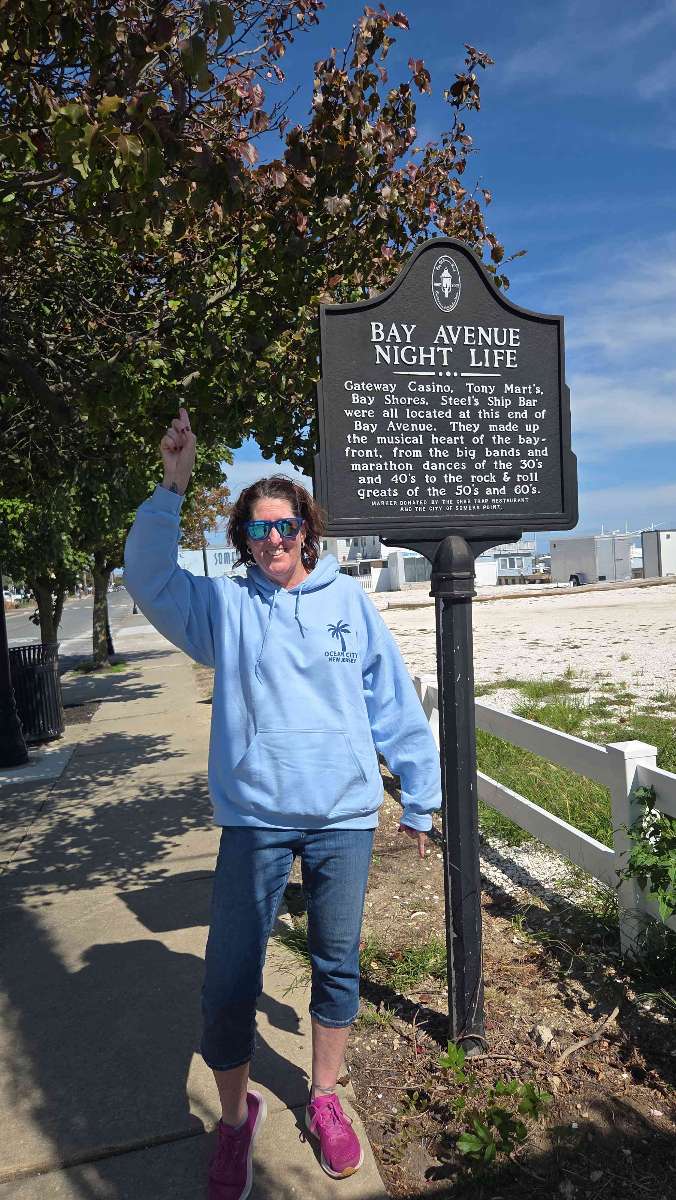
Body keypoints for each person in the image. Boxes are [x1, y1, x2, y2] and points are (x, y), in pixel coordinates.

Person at [124, 408, 441, 1200]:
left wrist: (420, 796)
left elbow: (391, 702)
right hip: (255, 820)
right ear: (244, 539)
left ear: (308, 530)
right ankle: (238, 1121)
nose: (272, 540)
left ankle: (325, 1096)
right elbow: (149, 577)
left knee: (338, 964)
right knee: (230, 978)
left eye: (286, 525)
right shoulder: (224, 611)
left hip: (343, 817)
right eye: (258, 530)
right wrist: (172, 485)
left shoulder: (347, 605)